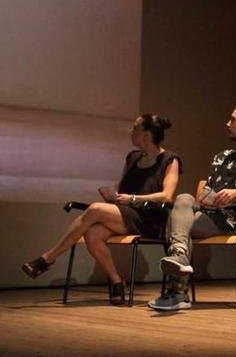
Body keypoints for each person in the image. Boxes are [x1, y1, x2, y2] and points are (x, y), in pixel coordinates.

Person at [21, 114, 180, 305]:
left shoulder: (170, 160)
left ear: (146, 134)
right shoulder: (133, 157)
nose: (131, 131)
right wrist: (112, 192)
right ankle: (116, 280)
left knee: (95, 209)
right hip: (125, 213)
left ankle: (48, 258)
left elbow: (166, 196)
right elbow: (122, 186)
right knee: (92, 234)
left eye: (135, 128)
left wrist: (134, 199)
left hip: (149, 218)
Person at [149, 104, 236, 311]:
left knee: (177, 226)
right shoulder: (221, 156)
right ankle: (180, 255)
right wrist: (205, 198)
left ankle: (178, 291)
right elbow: (206, 190)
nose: (227, 124)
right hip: (208, 213)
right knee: (183, 198)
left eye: (232, 120)